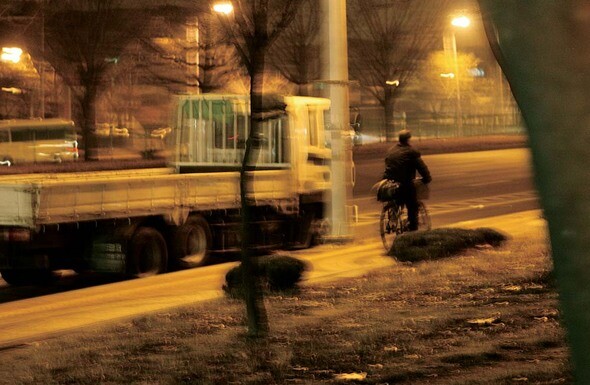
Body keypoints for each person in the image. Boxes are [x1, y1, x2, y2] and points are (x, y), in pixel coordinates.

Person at [383, 129, 432, 231]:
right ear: (408, 139)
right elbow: (421, 167)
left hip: (389, 183)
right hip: (404, 184)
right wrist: (427, 178)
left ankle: (393, 219)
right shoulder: (411, 152)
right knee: (412, 206)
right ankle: (413, 231)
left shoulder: (391, 151)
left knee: (396, 200)